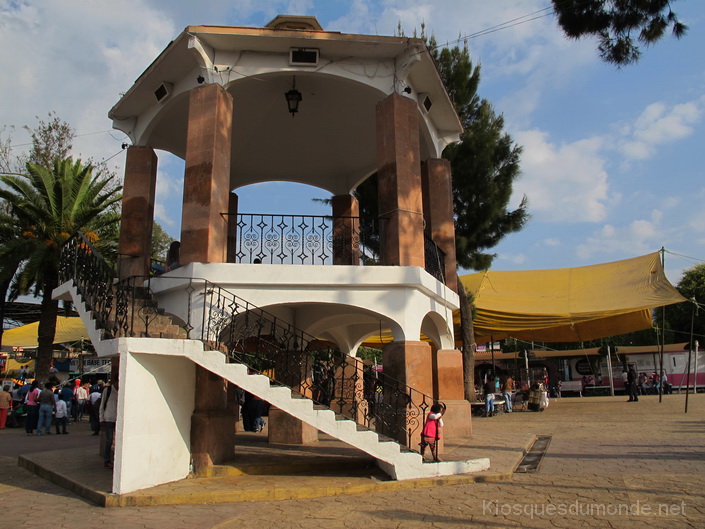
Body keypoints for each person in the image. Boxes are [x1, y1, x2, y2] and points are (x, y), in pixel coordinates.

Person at [99, 379, 119, 469]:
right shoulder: (108, 390)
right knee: (109, 440)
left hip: (119, 419)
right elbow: (102, 404)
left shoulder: (122, 390)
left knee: (118, 441)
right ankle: (107, 460)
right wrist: (101, 418)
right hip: (109, 418)